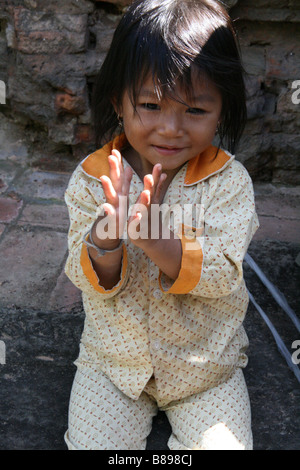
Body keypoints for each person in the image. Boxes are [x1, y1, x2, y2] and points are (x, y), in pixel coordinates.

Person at [64, 0, 259, 450]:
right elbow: (85, 275)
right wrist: (105, 240)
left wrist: (158, 241)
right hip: (114, 363)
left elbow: (225, 273)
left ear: (221, 108)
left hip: (205, 368)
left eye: (195, 111)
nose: (170, 128)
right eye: (150, 105)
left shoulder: (227, 184)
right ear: (118, 101)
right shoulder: (95, 179)